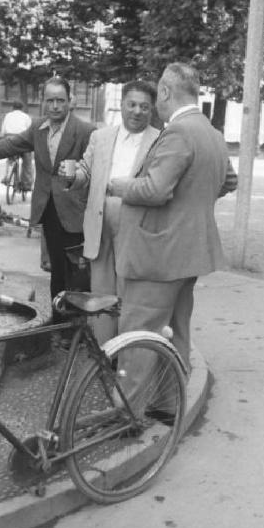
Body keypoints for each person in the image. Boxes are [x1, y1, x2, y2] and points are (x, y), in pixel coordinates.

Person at [106, 62, 238, 401]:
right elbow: (229, 181)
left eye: (158, 95)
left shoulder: (179, 132)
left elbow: (155, 190)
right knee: (176, 332)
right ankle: (169, 404)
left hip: (158, 255)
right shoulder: (211, 132)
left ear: (165, 92)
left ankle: (127, 414)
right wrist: (190, 206)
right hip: (189, 254)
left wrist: (117, 185)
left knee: (137, 335)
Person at [0, 76, 96, 313]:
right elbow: (10, 145)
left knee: (77, 273)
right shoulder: (38, 128)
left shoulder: (86, 131)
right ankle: (59, 324)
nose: (55, 106)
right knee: (57, 270)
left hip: (76, 213)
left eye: (60, 100)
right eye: (50, 100)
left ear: (70, 101)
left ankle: (76, 329)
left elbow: (95, 171)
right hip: (49, 210)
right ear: (43, 102)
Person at [59, 80, 160, 343]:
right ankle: (103, 351)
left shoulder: (160, 140)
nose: (137, 111)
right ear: (122, 104)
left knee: (131, 290)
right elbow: (86, 172)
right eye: (132, 105)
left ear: (152, 110)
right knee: (101, 291)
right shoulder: (101, 136)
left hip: (136, 223)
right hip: (100, 221)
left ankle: (127, 352)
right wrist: (72, 176)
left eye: (144, 107)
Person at [0, 100, 32, 191]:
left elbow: (3, 131)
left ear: (12, 108)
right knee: (27, 161)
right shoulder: (26, 117)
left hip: (10, 140)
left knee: (10, 159)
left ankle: (7, 177)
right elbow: (30, 131)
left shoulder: (8, 116)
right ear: (22, 108)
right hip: (22, 139)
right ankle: (27, 184)